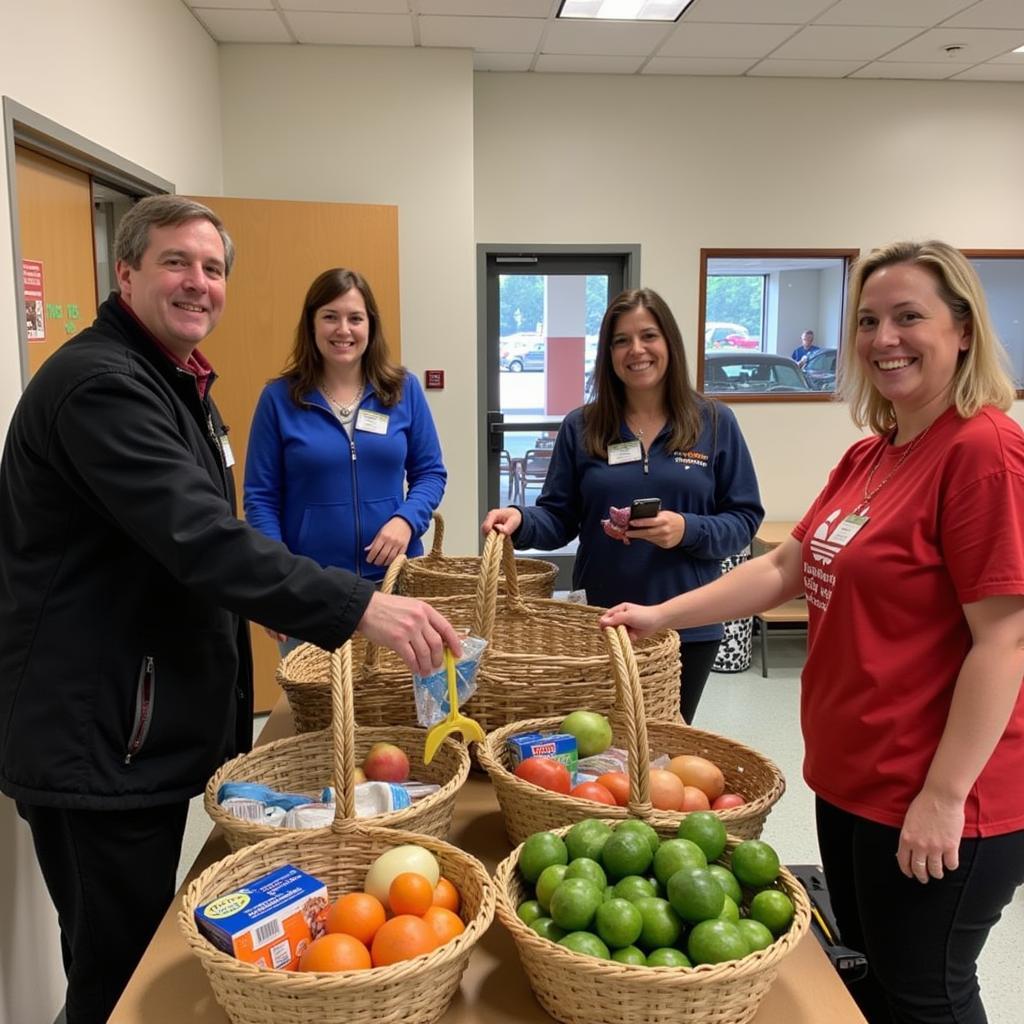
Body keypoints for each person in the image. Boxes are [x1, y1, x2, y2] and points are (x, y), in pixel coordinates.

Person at [0, 196, 461, 1024]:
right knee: (117, 973)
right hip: (93, 734)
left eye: (213, 269)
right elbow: (204, 538)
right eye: (177, 262)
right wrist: (359, 608)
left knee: (137, 947)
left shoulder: (175, 380)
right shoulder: (102, 386)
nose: (198, 283)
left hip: (133, 725)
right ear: (127, 271)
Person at [601, 242, 1024, 1024]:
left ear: (963, 330)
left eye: (909, 317)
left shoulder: (983, 451)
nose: (883, 338)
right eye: (868, 321)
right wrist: (661, 616)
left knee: (926, 993)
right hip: (853, 777)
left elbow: (1006, 642)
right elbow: (783, 569)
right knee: (871, 979)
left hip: (934, 792)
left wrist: (944, 796)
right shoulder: (872, 454)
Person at [482, 287, 763, 723]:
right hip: (604, 624)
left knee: (666, 745)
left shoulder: (714, 421)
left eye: (648, 336)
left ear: (669, 342)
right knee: (601, 751)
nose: (636, 350)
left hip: (688, 625)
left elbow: (743, 520)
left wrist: (686, 529)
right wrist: (520, 520)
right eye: (621, 340)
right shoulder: (584, 426)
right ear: (608, 354)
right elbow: (559, 517)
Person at [244, 268, 446, 649]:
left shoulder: (403, 390)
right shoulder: (279, 398)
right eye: (330, 317)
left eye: (355, 318)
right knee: (319, 705)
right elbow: (260, 498)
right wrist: (275, 584)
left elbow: (431, 473)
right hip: (310, 587)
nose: (343, 330)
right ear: (311, 324)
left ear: (371, 325)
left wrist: (406, 520)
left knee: (390, 701)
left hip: (395, 583)